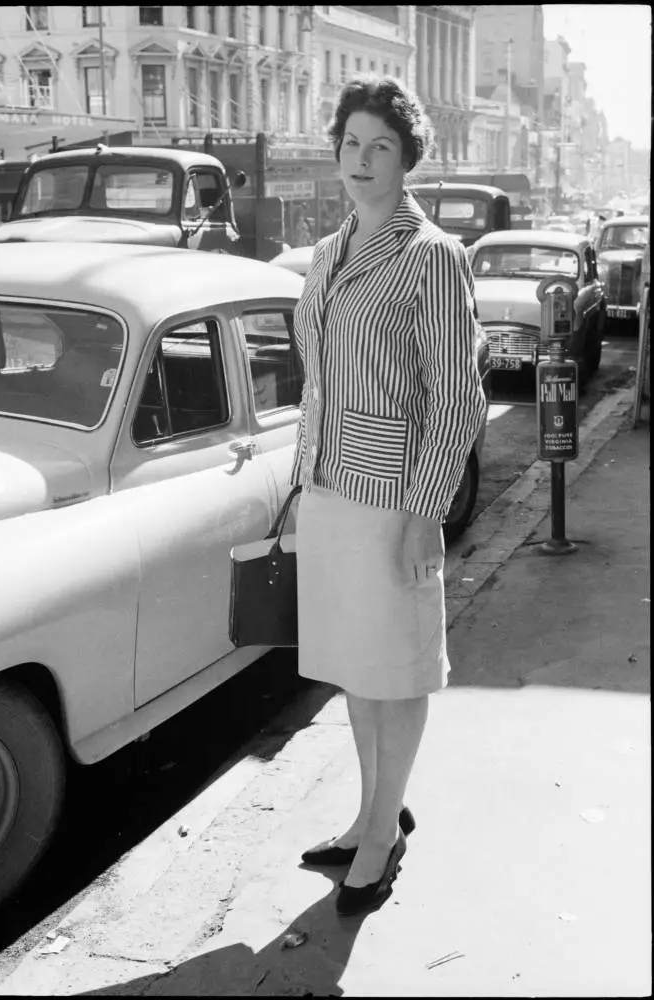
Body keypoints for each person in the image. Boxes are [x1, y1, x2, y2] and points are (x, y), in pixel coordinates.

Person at [290, 76, 487, 917]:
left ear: (407, 159)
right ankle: (371, 812)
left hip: (392, 498)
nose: (361, 161)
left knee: (395, 673)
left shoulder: (429, 256)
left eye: (380, 147)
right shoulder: (330, 250)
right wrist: (302, 481)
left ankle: (382, 835)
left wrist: (424, 514)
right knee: (355, 671)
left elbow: (456, 397)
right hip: (330, 489)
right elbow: (317, 377)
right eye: (350, 144)